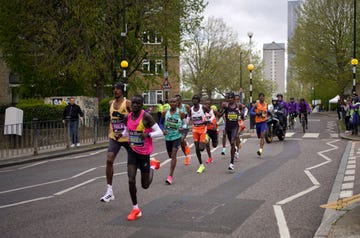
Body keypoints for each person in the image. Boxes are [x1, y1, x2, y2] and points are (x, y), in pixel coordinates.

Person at [121, 94, 163, 221]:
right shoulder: (127, 117)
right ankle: (135, 208)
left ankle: (152, 166)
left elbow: (160, 132)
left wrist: (148, 135)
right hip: (132, 152)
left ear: (142, 105)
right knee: (131, 179)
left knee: (145, 185)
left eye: (138, 103)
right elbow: (127, 131)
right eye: (133, 103)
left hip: (144, 154)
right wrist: (121, 134)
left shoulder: (146, 117)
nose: (135, 105)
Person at [100, 82, 131, 203]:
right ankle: (109, 191)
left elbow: (135, 117)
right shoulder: (110, 103)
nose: (115, 91)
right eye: (114, 89)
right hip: (115, 137)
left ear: (122, 90)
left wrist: (121, 115)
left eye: (118, 89)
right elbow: (112, 118)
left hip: (128, 137)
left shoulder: (127, 103)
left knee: (136, 161)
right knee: (109, 159)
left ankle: (150, 165)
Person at [162, 96, 186, 185]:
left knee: (174, 154)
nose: (172, 104)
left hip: (177, 137)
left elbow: (185, 124)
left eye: (174, 102)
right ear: (169, 103)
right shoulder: (165, 113)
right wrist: (163, 130)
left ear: (177, 103)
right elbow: (160, 123)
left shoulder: (180, 113)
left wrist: (182, 130)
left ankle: (170, 176)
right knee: (170, 155)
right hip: (168, 137)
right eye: (171, 102)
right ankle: (174, 161)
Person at [219, 92, 243, 170]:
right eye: (228, 98)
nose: (230, 99)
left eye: (231, 98)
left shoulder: (238, 105)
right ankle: (235, 149)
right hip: (228, 127)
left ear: (234, 99)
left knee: (233, 142)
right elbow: (219, 114)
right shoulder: (225, 105)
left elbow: (243, 109)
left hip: (235, 127)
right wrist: (222, 111)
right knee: (231, 144)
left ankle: (231, 163)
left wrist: (241, 114)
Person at [189, 94, 210, 173]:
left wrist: (207, 119)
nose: (194, 101)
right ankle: (201, 165)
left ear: (198, 101)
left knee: (201, 148)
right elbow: (189, 118)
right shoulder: (191, 109)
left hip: (202, 128)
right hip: (195, 128)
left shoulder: (203, 107)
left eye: (196, 99)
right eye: (193, 99)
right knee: (197, 148)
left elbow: (210, 113)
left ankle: (206, 139)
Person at [174, 94, 191, 165]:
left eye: (177, 100)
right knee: (181, 143)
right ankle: (187, 155)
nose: (176, 102)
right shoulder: (174, 108)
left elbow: (190, 114)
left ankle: (187, 151)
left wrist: (188, 120)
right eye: (175, 100)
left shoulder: (186, 106)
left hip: (185, 127)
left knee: (181, 139)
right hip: (177, 127)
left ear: (180, 100)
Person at [204, 98, 218, 164]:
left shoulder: (213, 111)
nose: (207, 105)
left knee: (214, 145)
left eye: (208, 104)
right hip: (206, 130)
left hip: (213, 130)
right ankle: (210, 157)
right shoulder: (203, 111)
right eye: (206, 104)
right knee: (207, 143)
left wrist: (216, 125)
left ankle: (216, 140)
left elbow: (217, 117)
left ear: (210, 104)